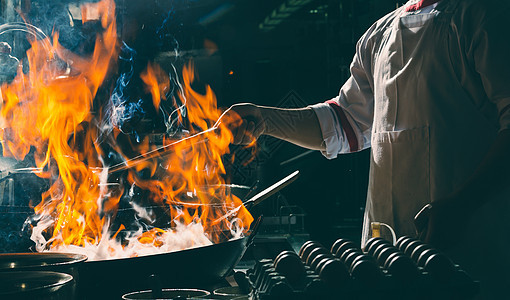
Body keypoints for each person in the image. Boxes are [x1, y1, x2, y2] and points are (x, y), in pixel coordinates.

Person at [222, 0, 510, 298]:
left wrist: (464, 204)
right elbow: (346, 122)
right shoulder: (379, 35)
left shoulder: (486, 16)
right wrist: (265, 119)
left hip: (470, 254)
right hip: (384, 261)